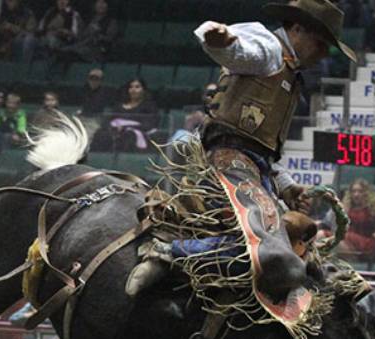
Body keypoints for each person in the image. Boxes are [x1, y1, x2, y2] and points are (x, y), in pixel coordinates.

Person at [126, 0, 357, 297]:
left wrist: (285, 185)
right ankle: (168, 252)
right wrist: (221, 41)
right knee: (271, 252)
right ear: (297, 28)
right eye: (320, 43)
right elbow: (238, 52)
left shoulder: (287, 69)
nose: (324, 53)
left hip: (249, 168)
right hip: (229, 163)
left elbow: (261, 148)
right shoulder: (270, 50)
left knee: (291, 249)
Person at [0, 0, 37, 77]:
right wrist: (1, 28)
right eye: (7, 1)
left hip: (17, 42)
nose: (8, 3)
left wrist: (12, 28)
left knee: (20, 42)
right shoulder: (4, 14)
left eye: (11, 1)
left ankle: (19, 76)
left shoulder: (27, 14)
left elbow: (30, 32)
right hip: (3, 41)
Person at [339, 178, 375, 258]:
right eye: (353, 191)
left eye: (360, 191)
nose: (356, 194)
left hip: (367, 243)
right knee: (320, 235)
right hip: (347, 240)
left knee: (334, 239)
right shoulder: (346, 208)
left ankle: (354, 261)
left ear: (367, 193)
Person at [37, 0, 82, 66]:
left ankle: (49, 66)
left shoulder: (74, 14)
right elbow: (40, 28)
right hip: (45, 37)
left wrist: (66, 32)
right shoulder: (50, 12)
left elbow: (76, 34)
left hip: (63, 42)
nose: (62, 1)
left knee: (52, 41)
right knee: (29, 40)